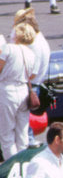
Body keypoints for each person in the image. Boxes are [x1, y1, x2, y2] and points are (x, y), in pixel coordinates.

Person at [0, 22, 35, 159]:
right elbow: (33, 75)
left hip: (7, 89)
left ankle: (12, 164)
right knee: (22, 132)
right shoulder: (31, 53)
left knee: (6, 133)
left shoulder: (8, 48)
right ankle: (22, 162)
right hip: (23, 90)